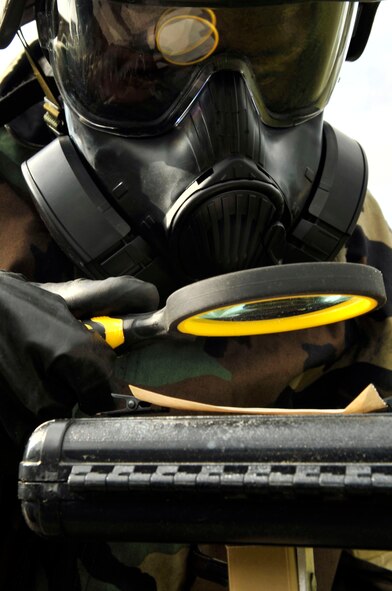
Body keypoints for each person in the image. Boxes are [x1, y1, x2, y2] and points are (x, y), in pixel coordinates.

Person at [0, 0, 392, 589]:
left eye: (270, 46)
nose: (227, 118)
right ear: (50, 43)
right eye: (146, 60)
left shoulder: (357, 248)